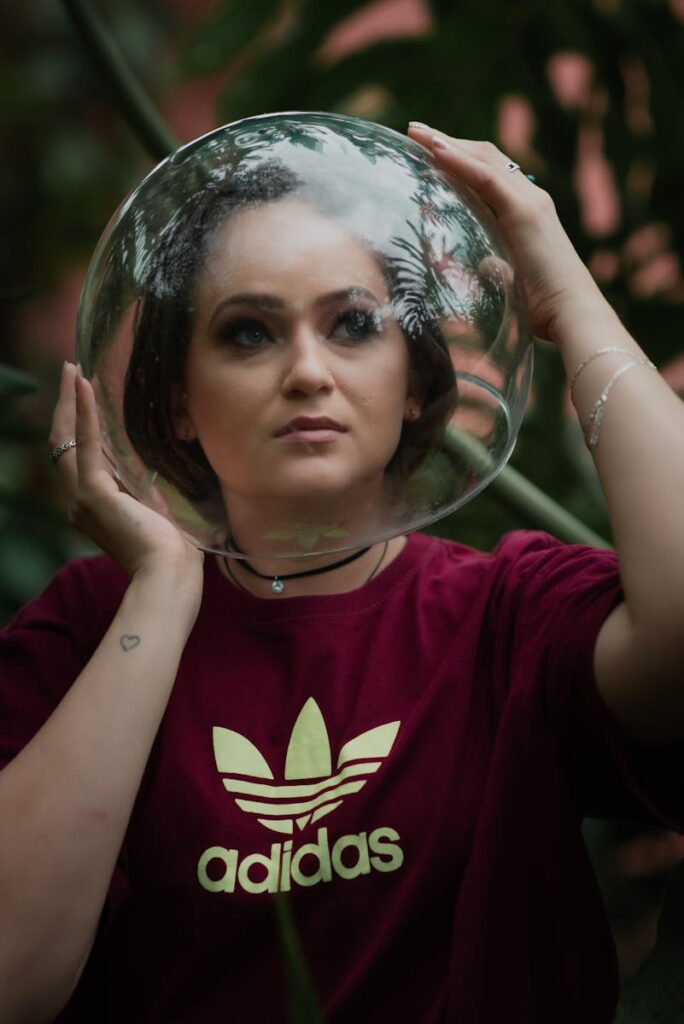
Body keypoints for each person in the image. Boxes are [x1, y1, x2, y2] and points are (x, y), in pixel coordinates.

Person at [1, 122, 683, 1024]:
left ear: (413, 383)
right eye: (248, 333)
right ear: (179, 400)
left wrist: (570, 302)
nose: (307, 373)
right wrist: (163, 590)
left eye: (354, 324)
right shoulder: (88, 628)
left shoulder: (505, 613)